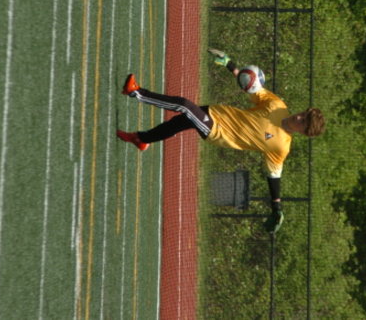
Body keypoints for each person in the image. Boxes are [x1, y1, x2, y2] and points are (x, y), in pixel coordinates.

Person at [116, 48, 325, 234]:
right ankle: (142, 139)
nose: (299, 117)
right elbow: (251, 86)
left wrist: (276, 207)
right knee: (178, 123)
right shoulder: (278, 105)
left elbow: (274, 175)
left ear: (304, 132)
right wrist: (230, 64)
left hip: (217, 131)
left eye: (303, 121)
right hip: (216, 112)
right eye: (303, 114)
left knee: (184, 106)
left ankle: (136, 92)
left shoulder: (281, 146)